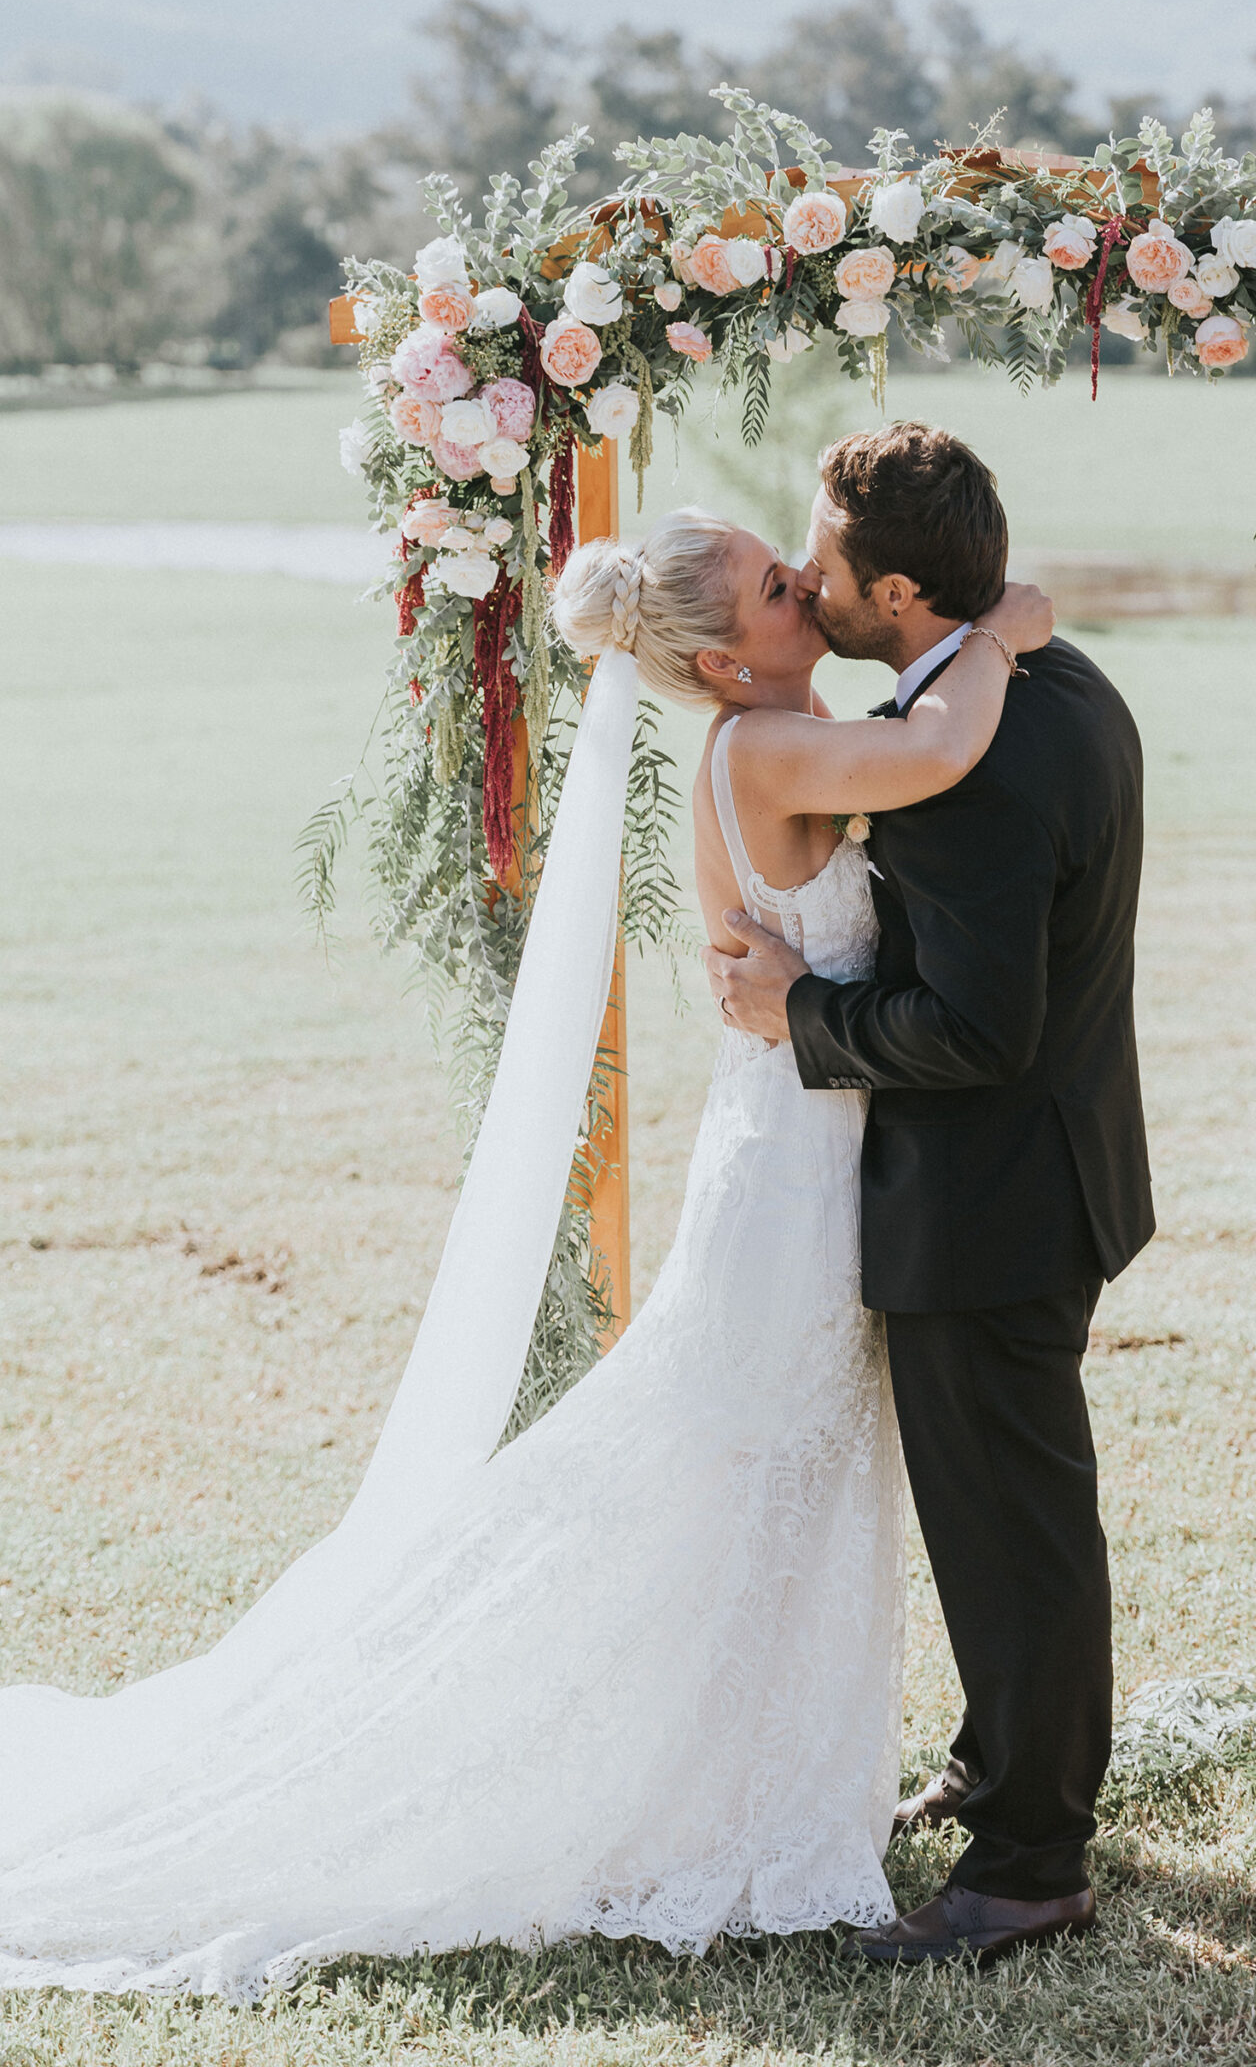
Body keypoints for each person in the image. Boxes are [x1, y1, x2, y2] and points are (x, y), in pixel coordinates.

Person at [0, 506, 1050, 2001]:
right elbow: (939, 753)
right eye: (773, 583)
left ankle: (767, 1789)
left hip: (819, 1147)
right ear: (715, 657)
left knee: (790, 1479)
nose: (804, 585)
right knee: (750, 1467)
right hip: (799, 1187)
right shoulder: (761, 753)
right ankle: (696, 1796)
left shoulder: (783, 733)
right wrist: (1005, 628)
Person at [708, 422, 1151, 1967]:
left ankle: (1031, 1864)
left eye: (819, 559)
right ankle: (992, 1761)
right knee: (999, 1514)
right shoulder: (1056, 680)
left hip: (989, 1208)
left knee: (1016, 1530)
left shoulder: (966, 767)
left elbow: (973, 1029)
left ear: (894, 589)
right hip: (1059, 1169)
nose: (804, 578)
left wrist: (799, 1018)